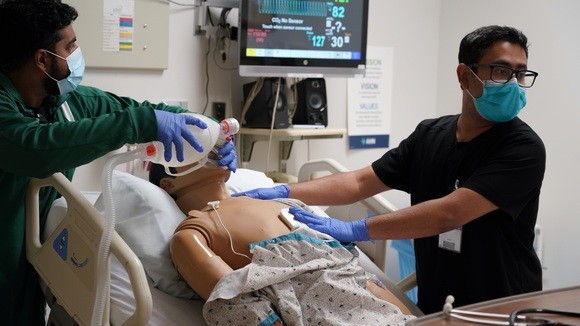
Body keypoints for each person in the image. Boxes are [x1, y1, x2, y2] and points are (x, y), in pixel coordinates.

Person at [234, 25, 546, 314]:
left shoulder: (523, 148)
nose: (514, 84)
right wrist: (284, 192)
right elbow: (358, 182)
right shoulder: (431, 135)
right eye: (502, 71)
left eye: (520, 74)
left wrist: (357, 229)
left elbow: (449, 214)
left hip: (503, 308)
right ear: (465, 76)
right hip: (439, 306)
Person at [0, 0, 236, 324]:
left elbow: (147, 110)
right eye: (71, 47)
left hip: (29, 268)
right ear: (42, 59)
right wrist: (142, 122)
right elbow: (32, 148)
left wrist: (212, 132)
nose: (78, 54)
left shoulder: (64, 102)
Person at [148, 164, 416, 325]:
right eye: (187, 149)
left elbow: (359, 276)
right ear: (168, 182)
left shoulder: (283, 203)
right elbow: (233, 303)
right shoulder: (194, 231)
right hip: (320, 312)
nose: (208, 147)